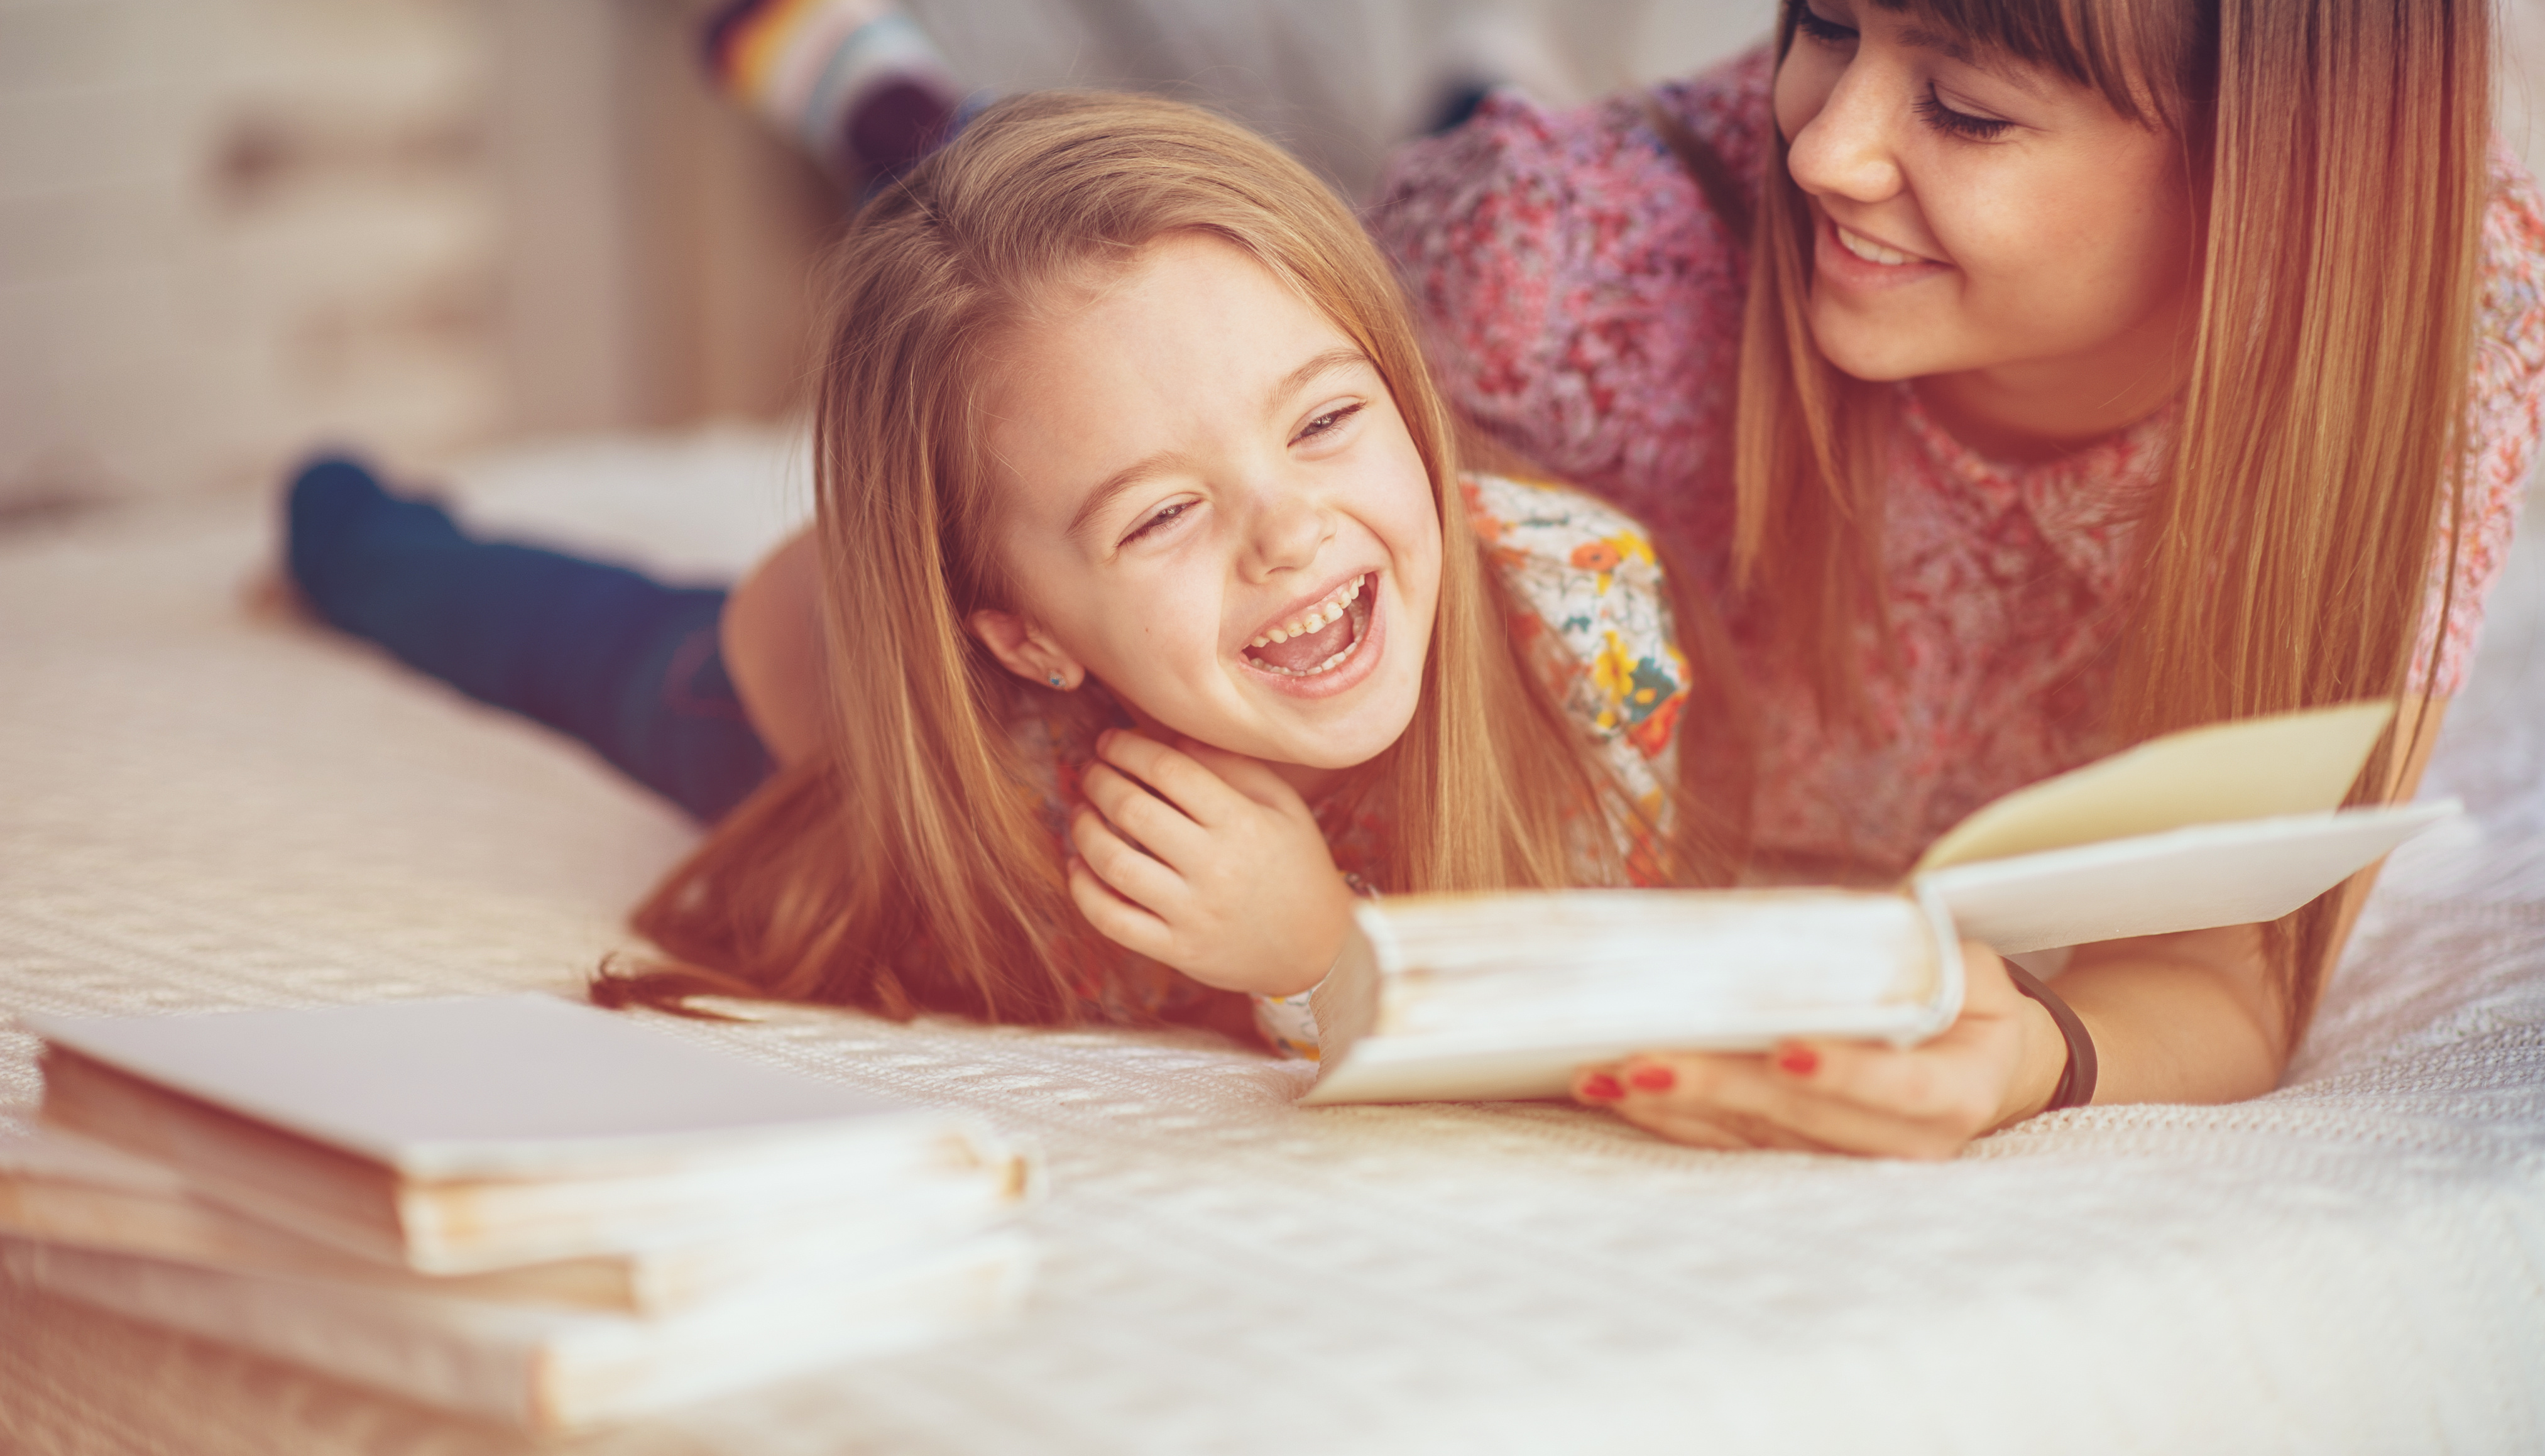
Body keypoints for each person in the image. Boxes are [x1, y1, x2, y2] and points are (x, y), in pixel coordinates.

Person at [1366, 0, 2545, 1155]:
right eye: (1820, 14)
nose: (1828, 153)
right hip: (1538, 231)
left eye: (1968, 109)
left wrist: (2040, 1056)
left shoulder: (2440, 308)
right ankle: (1479, 85)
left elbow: (2226, 960)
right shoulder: (1552, 263)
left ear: (2267, 163)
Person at [283, 91, 1697, 1052]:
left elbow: (1598, 1005)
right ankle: (345, 521)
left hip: (1031, 465)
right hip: (799, 658)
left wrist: (1320, 952)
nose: (1290, 533)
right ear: (1026, 639)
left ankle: (912, 123)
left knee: (1065, 277)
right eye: (1161, 519)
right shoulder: (1005, 762)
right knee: (555, 637)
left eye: (1329, 419)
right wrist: (1316, 963)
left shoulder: (1578, 615)